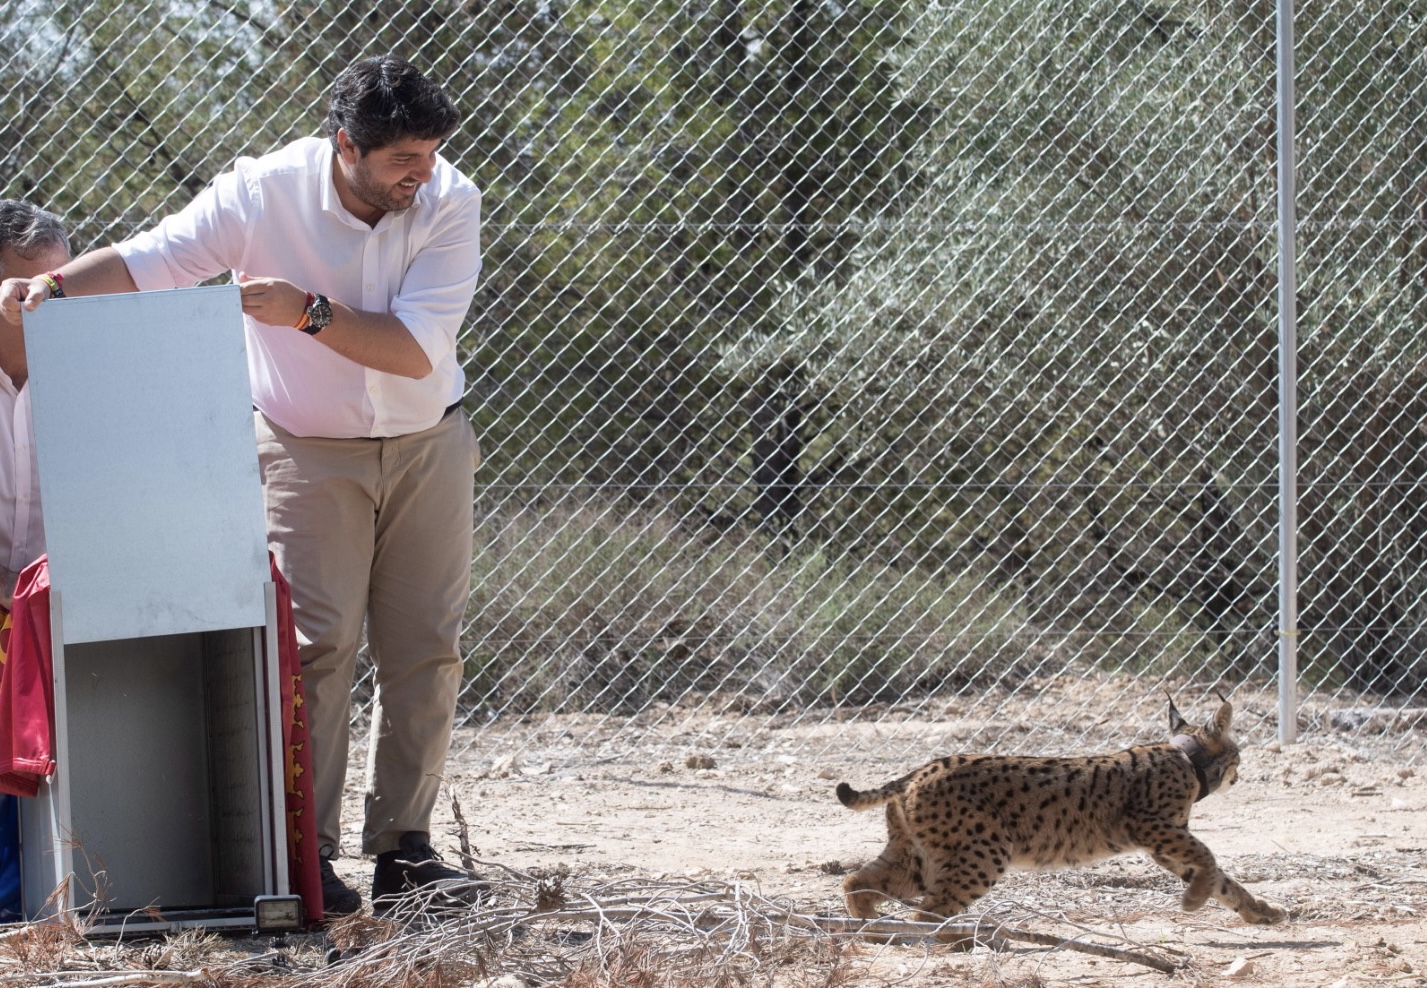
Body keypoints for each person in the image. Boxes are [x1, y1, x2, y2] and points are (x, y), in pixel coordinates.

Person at [0, 55, 484, 918]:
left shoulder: (451, 199)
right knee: (314, 647)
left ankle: (404, 851)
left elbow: (416, 350)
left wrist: (307, 312)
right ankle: (313, 853)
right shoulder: (262, 192)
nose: (424, 171)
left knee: (425, 649)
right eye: (403, 158)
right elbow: (154, 260)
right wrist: (52, 287)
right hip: (303, 445)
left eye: (431, 151)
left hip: (427, 441)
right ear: (345, 146)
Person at [0, 200, 68, 607]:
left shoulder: (97, 380)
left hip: (61, 605)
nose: (41, 302)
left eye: (56, 287)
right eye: (26, 289)